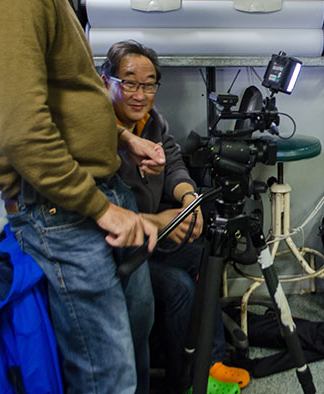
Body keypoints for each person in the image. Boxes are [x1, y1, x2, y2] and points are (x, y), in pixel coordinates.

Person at [0, 0, 165, 394]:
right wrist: (102, 209)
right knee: (106, 375)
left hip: (90, 192)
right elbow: (24, 131)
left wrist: (121, 138)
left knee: (137, 335)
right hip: (63, 210)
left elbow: (66, 97)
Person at [100, 40, 251, 393]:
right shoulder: (99, 134)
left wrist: (189, 201)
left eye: (149, 84)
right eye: (130, 82)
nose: (140, 94)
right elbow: (106, 210)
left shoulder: (153, 123)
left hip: (154, 237)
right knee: (180, 288)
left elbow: (174, 166)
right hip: (118, 251)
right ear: (107, 82)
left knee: (204, 258)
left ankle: (211, 363)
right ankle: (181, 378)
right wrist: (162, 221)